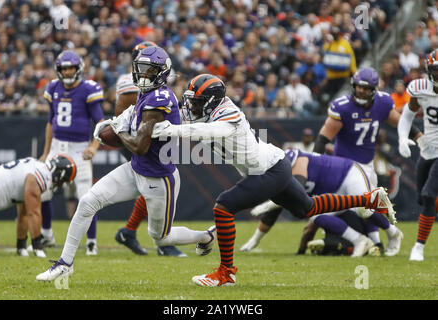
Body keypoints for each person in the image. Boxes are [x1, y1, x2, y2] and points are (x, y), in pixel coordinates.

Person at [150, 74, 394, 287]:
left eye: (196, 102)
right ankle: (370, 199)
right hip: (273, 166)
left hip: (269, 170)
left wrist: (172, 130)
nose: (191, 106)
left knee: (223, 207)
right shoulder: (203, 112)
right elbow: (174, 116)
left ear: (211, 102)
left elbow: (210, 131)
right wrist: (121, 124)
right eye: (190, 101)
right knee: (308, 208)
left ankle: (226, 273)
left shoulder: (228, 113)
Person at [36, 46, 216, 282]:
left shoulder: (160, 99)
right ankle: (64, 264)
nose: (143, 76)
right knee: (88, 201)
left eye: (149, 71)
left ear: (161, 73)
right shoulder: (146, 94)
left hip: (159, 178)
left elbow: (140, 145)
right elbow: (132, 129)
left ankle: (205, 237)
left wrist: (118, 132)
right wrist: (116, 124)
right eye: (140, 70)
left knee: (161, 237)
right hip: (136, 168)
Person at [312, 67, 423, 247]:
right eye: (358, 87)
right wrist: (315, 162)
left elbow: (401, 122)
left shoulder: (383, 103)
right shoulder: (343, 106)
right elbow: (323, 138)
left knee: (364, 208)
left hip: (366, 166)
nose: (361, 91)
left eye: (365, 88)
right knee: (326, 211)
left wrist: (419, 138)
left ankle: (378, 241)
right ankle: (368, 242)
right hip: (343, 167)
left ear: (374, 90)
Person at [240, 148, 402, 257]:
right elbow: (272, 214)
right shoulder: (283, 168)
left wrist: (268, 203)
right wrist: (254, 240)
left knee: (364, 209)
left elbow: (297, 194)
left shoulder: (298, 160)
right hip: (335, 191)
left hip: (349, 174)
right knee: (316, 215)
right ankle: (360, 240)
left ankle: (394, 233)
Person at [113, 41, 186, 257]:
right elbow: (123, 112)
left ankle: (130, 231)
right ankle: (162, 242)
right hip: (137, 136)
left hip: (145, 133)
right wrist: (126, 132)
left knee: (152, 191)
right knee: (155, 185)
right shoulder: (131, 82)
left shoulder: (151, 83)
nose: (148, 71)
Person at [39, 50, 105, 255]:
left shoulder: (88, 89)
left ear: (79, 69)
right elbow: (50, 122)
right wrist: (45, 152)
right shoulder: (53, 88)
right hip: (57, 146)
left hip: (79, 149)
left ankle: (91, 242)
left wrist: (94, 147)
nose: (67, 72)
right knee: (43, 190)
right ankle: (47, 234)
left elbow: (101, 122)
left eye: (71, 68)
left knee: (86, 197)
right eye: (64, 68)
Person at [0, 155, 76, 258]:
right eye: (62, 181)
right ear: (60, 173)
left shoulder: (34, 165)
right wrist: (37, 246)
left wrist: (21, 245)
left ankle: (21, 247)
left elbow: (23, 212)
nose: (60, 185)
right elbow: (33, 213)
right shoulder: (42, 175)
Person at [398, 49, 438, 261]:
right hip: (428, 151)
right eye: (436, 71)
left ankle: (419, 247)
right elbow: (406, 116)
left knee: (429, 195)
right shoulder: (420, 88)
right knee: (424, 199)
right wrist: (403, 137)